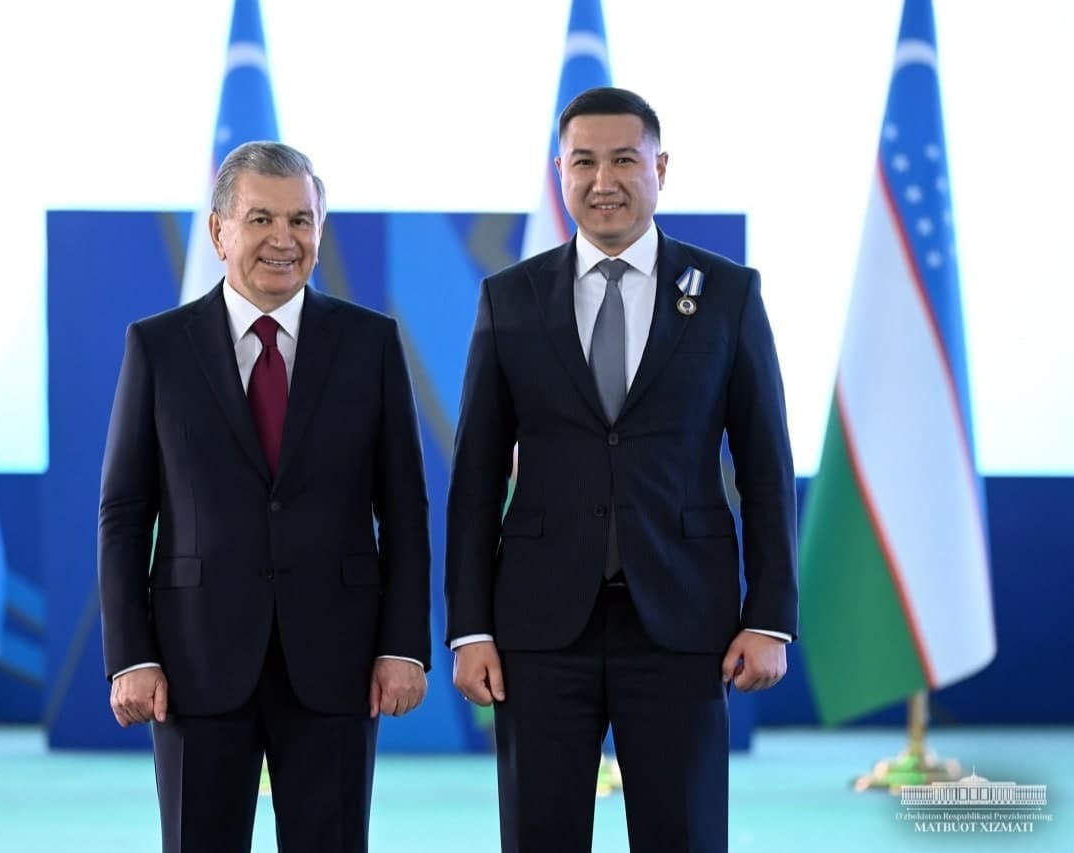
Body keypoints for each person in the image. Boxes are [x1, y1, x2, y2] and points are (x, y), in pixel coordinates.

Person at [446, 87, 798, 852]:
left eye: (623, 161)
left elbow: (767, 467)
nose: (603, 181)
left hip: (683, 621)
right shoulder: (509, 298)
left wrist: (768, 616)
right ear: (560, 173)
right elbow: (475, 477)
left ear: (659, 168)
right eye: (583, 162)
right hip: (539, 627)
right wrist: (469, 626)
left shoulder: (728, 294)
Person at [98, 141, 431, 853]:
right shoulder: (158, 347)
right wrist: (130, 654)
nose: (284, 239)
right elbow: (124, 514)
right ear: (219, 232)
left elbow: (405, 509)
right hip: (194, 661)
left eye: (300, 220)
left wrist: (404, 645)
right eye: (261, 219)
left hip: (337, 661)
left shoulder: (371, 344)